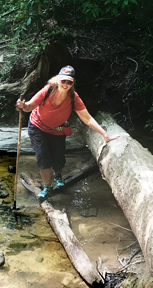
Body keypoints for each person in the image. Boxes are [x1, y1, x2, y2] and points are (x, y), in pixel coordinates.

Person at [16, 65, 120, 199]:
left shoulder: (73, 97)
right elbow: (29, 106)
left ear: (72, 83)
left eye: (69, 81)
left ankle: (58, 175)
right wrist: (23, 106)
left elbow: (87, 118)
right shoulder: (47, 90)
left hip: (57, 130)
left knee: (58, 159)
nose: (65, 84)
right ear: (58, 79)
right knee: (43, 157)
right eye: (63, 80)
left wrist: (105, 134)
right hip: (38, 127)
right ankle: (47, 187)